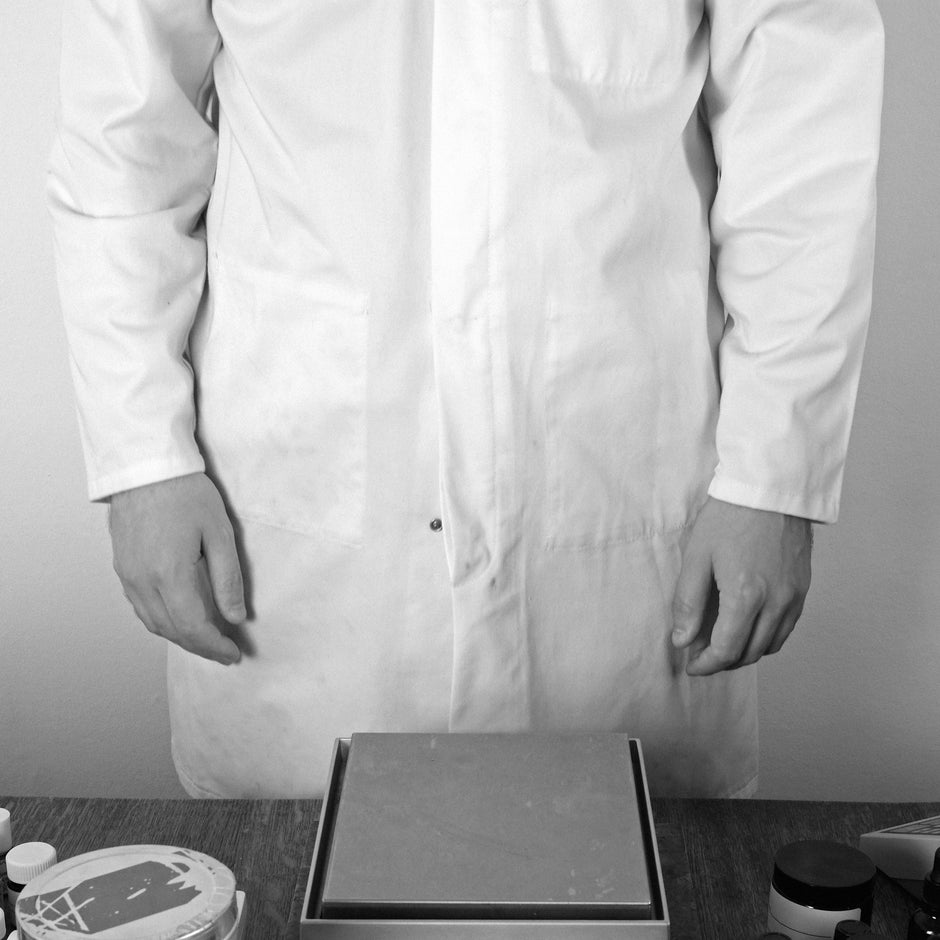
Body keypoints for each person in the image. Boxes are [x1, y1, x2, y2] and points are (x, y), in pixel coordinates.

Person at [47, 1, 885, 799]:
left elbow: (803, 157)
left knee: (624, 880)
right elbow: (123, 158)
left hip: (621, 521)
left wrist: (772, 480)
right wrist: (144, 462)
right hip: (298, 528)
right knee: (291, 881)